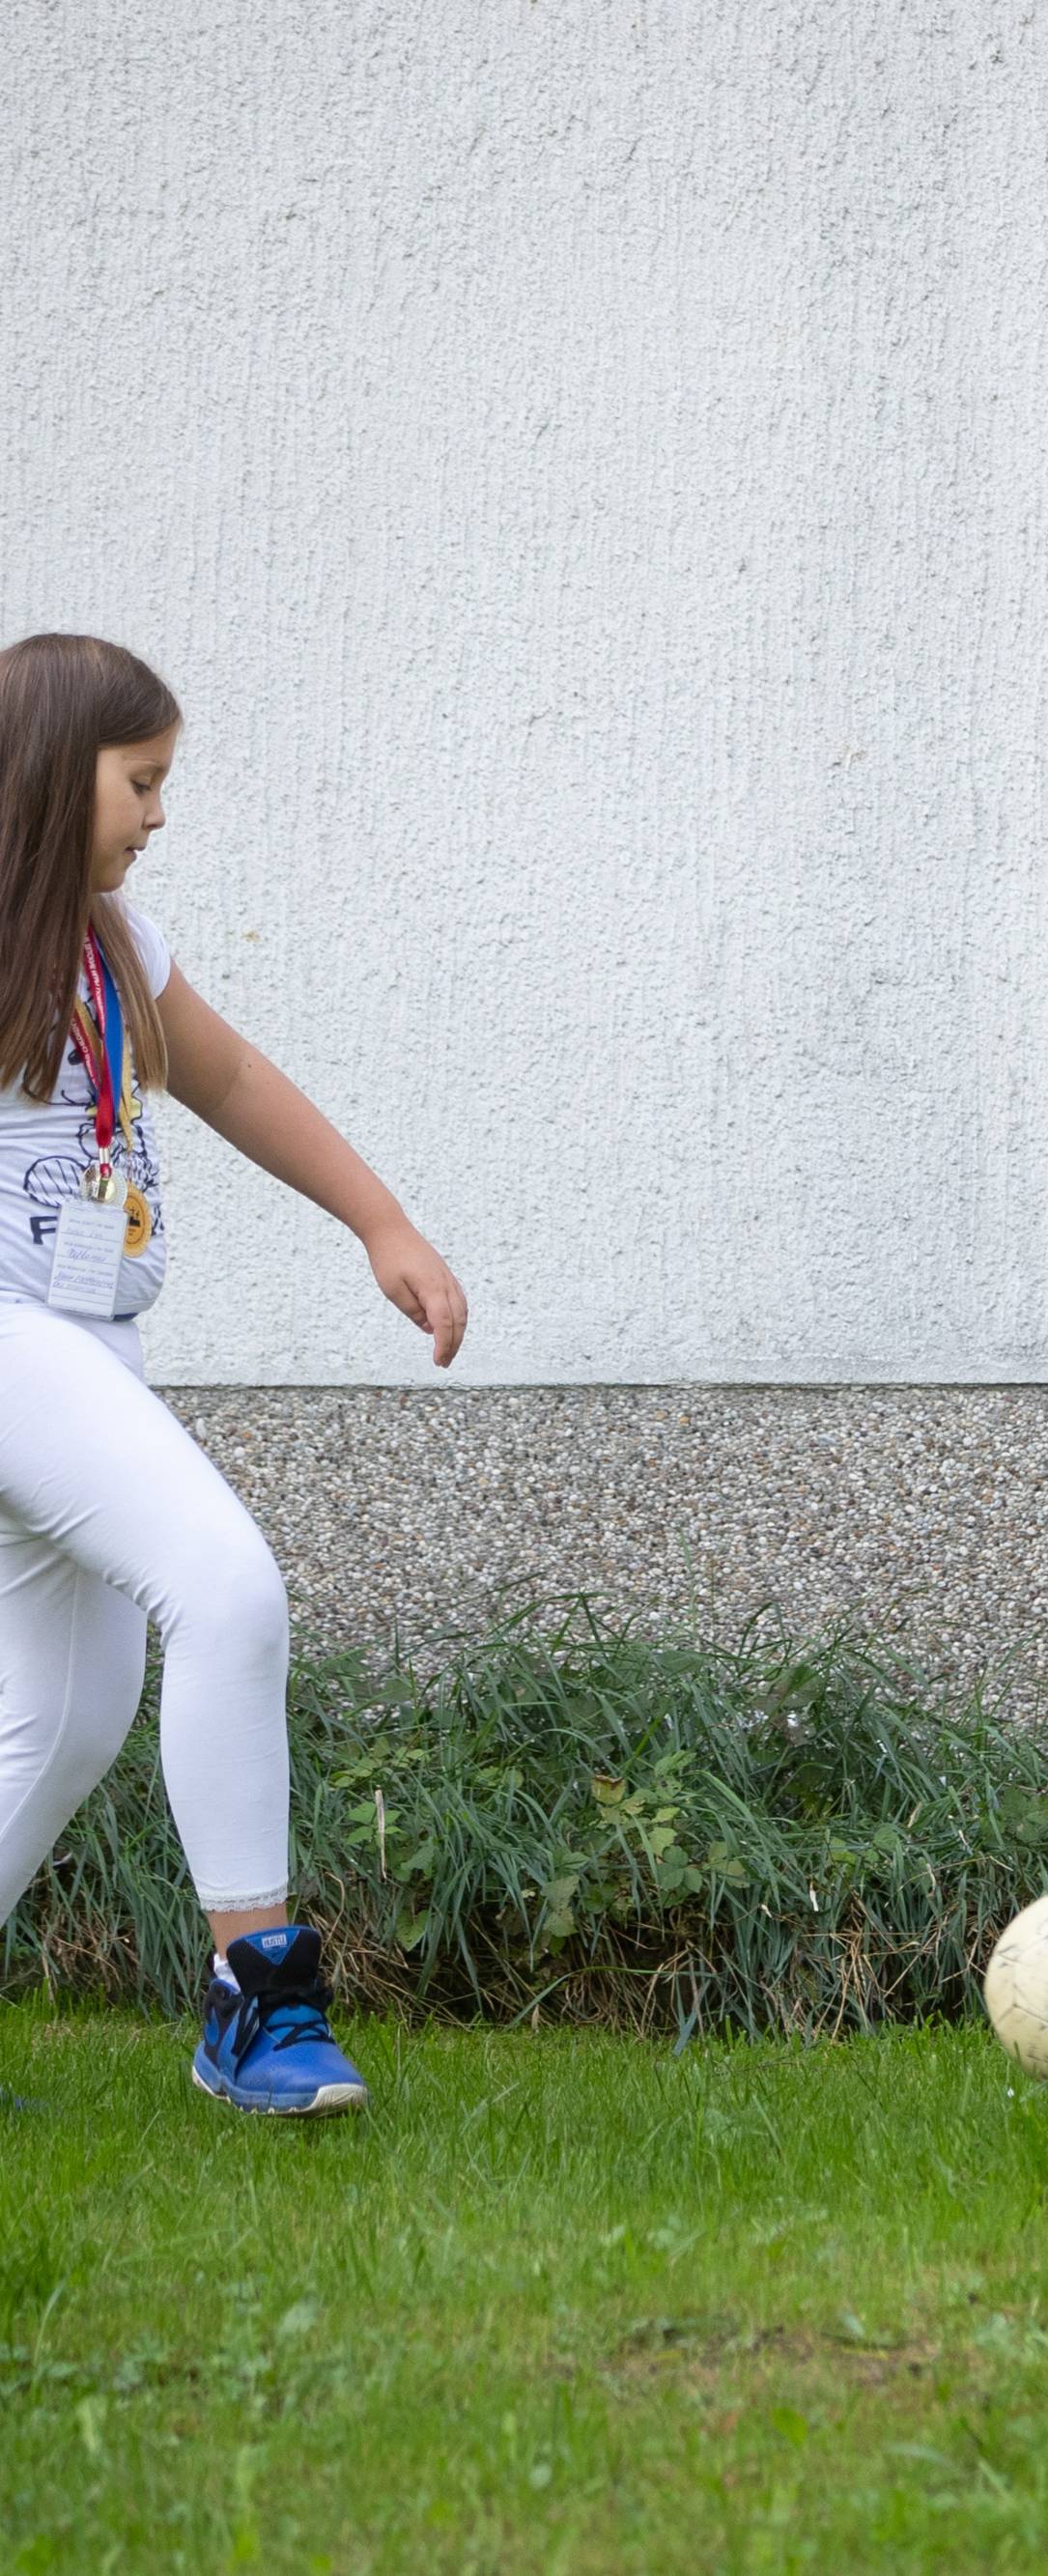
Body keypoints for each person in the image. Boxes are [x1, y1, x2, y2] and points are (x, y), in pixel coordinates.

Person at [0, 633, 467, 2116]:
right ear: (45, 772)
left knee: (66, 1717)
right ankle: (255, 1998)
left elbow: (236, 1082)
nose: (158, 812)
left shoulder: (114, 948)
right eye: (140, 781)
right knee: (227, 1587)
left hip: (86, 1349)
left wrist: (380, 1220)